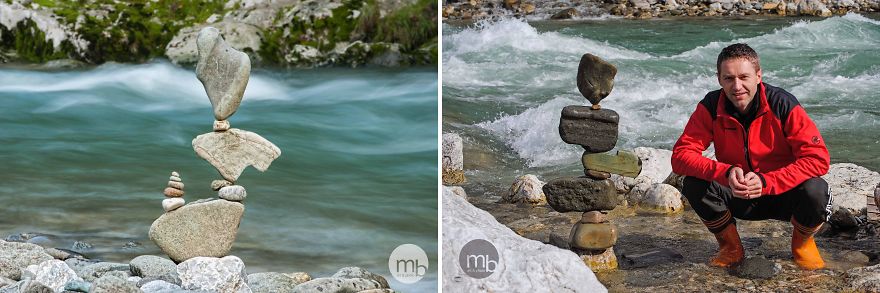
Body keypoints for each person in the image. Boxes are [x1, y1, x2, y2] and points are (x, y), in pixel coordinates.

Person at [671, 43, 832, 270]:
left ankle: (802, 245)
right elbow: (680, 156)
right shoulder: (710, 105)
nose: (737, 86)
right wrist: (724, 172)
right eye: (729, 78)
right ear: (719, 79)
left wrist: (768, 181)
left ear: (758, 76)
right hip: (738, 192)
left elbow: (818, 159)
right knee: (694, 184)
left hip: (782, 193)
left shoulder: (782, 104)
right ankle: (731, 247)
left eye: (744, 77)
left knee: (817, 191)